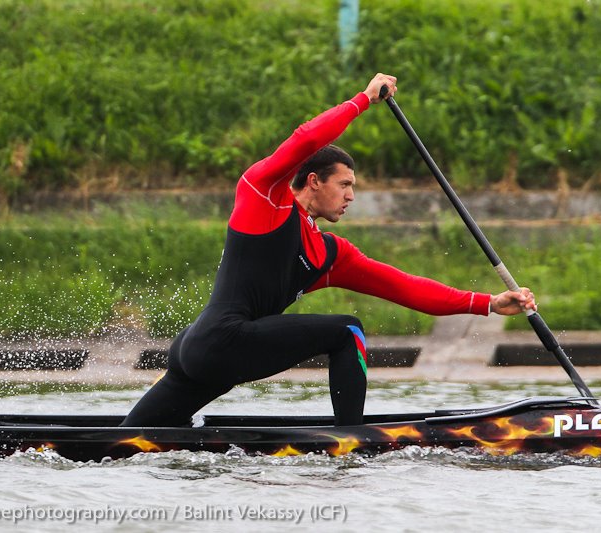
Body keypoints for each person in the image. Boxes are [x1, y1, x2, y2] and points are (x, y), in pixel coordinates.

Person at [121, 73, 537, 427]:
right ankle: (351, 442)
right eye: (345, 184)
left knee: (121, 445)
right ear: (315, 181)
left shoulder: (328, 254)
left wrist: (487, 303)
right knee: (347, 331)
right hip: (218, 341)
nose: (351, 196)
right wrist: (363, 100)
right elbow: (305, 138)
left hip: (204, 350)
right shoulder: (263, 197)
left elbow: (404, 287)